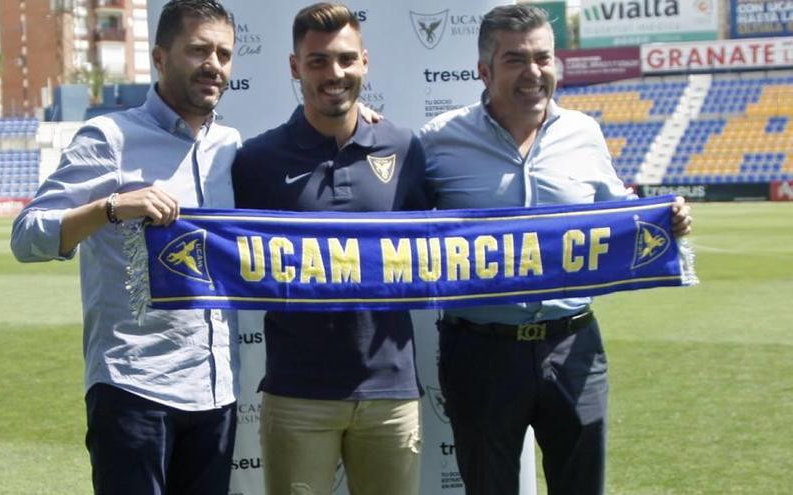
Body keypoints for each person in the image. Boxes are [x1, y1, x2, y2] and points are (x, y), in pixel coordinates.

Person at [418, 5, 693, 495]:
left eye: (543, 57)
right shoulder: (437, 141)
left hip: (573, 347)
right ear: (484, 71)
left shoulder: (584, 133)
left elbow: (618, 212)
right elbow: (392, 225)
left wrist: (664, 219)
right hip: (480, 350)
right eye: (516, 60)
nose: (534, 72)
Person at [10, 1, 240, 493]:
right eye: (198, 50)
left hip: (216, 391)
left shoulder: (232, 146)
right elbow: (27, 235)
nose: (213, 65)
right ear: (160, 57)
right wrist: (110, 207)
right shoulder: (109, 137)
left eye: (223, 53)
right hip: (135, 389)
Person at [232, 3, 428, 495]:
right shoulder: (256, 161)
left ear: (365, 61)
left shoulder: (404, 148)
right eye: (317, 61)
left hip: (391, 391)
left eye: (344, 59)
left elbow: (444, 249)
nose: (333, 73)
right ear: (295, 67)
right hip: (298, 393)